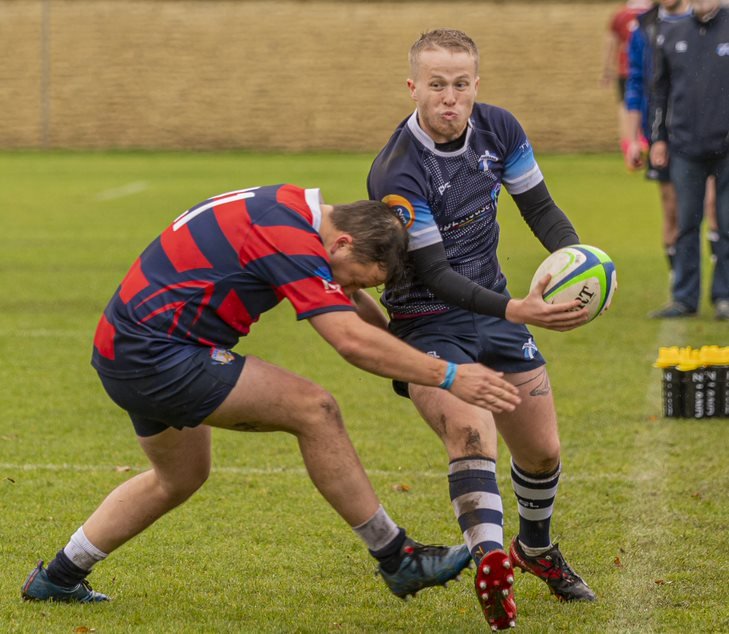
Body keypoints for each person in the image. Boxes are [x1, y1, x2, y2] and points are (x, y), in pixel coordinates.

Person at [21, 184, 523, 605]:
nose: (347, 287)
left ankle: (57, 578)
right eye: (353, 277)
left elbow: (349, 305)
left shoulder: (290, 210)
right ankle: (397, 558)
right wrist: (451, 375)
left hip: (125, 348)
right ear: (342, 243)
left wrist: (403, 349)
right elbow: (349, 340)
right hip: (158, 354)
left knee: (179, 477)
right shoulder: (287, 237)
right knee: (316, 410)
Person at [368, 29, 598, 631]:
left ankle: (535, 549)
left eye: (461, 84)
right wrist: (516, 309)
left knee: (542, 451)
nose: (449, 97)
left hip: (494, 309)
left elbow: (540, 208)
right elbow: (436, 274)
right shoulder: (397, 172)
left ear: (477, 84)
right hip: (426, 322)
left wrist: (580, 265)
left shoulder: (500, 129)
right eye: (436, 85)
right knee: (471, 432)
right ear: (413, 86)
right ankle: (490, 557)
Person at [624, 0, 719, 292]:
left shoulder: (711, 21)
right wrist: (633, 138)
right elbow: (638, 84)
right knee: (673, 210)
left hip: (711, 133)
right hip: (666, 133)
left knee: (714, 207)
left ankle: (721, 285)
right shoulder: (644, 27)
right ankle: (680, 284)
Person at [648, 0, 729, 319]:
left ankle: (724, 297)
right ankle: (684, 299)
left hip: (726, 150)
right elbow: (660, 92)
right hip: (684, 148)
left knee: (726, 224)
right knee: (685, 225)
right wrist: (658, 139)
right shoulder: (671, 33)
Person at [602, 0, 653, 147]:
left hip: (625, 68)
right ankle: (644, 141)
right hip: (649, 69)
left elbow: (611, 43)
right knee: (647, 102)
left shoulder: (620, 14)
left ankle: (628, 143)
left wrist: (606, 70)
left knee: (625, 106)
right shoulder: (655, 13)